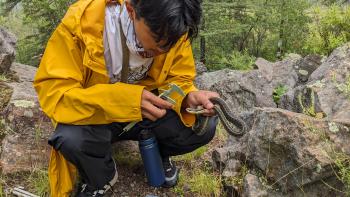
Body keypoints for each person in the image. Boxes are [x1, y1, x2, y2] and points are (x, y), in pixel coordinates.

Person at [33, 0, 219, 196]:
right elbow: (55, 94)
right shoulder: (81, 24)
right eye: (156, 44)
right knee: (69, 139)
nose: (162, 51)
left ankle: (158, 154)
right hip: (97, 116)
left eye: (168, 46)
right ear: (131, 10)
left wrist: (188, 97)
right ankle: (102, 175)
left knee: (203, 126)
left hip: (145, 113)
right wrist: (125, 100)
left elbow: (179, 77)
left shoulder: (172, 28)